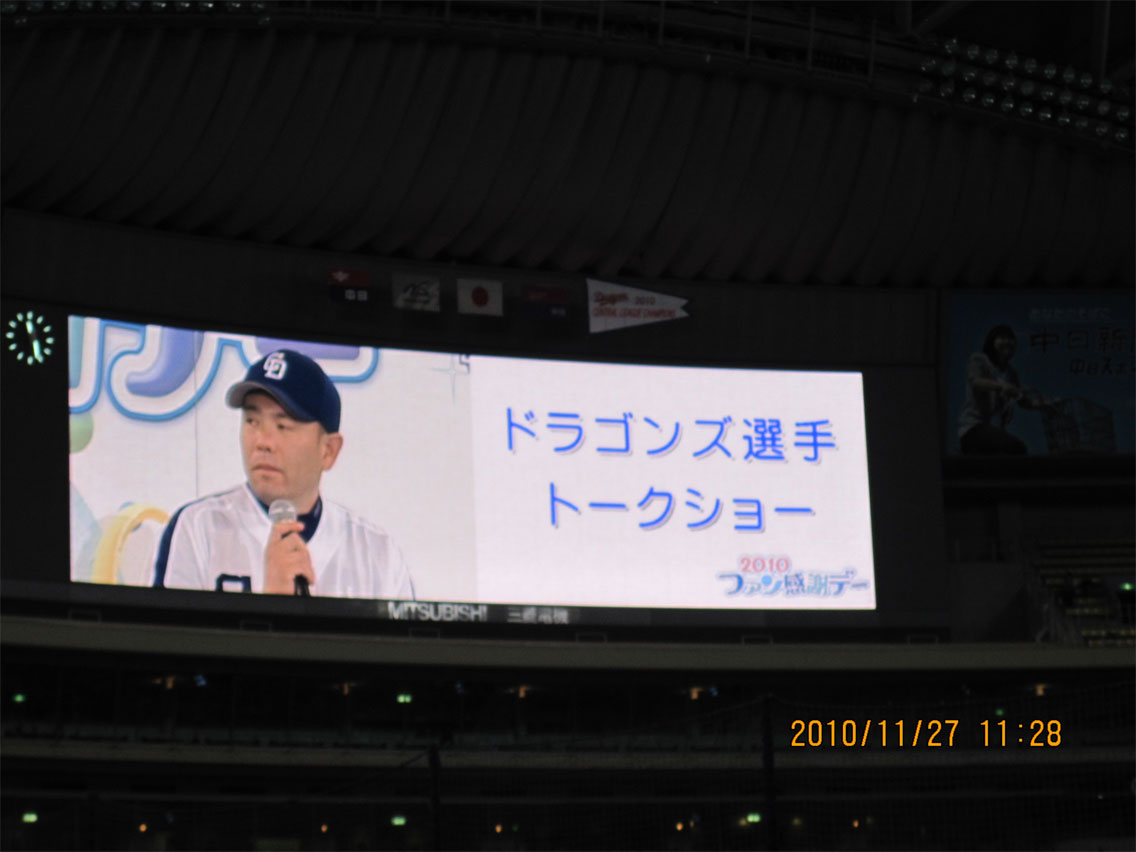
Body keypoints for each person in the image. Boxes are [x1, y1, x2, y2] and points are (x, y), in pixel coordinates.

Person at [154, 349, 414, 599]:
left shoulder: (377, 554)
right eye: (252, 421)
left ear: (328, 450)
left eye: (282, 426)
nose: (262, 442)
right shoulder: (198, 527)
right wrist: (272, 601)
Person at [958, 324, 1050, 456]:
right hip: (973, 428)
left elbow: (1023, 400)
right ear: (992, 341)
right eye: (1002, 337)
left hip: (995, 430)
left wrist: (1045, 404)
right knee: (1016, 448)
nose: (1007, 341)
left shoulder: (1011, 373)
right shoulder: (979, 360)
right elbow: (976, 381)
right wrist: (1001, 386)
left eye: (1011, 339)